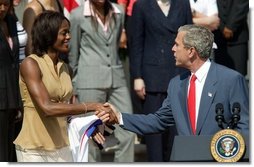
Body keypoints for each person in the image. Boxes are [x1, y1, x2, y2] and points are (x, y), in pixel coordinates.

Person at [105, 24, 249, 161]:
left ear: (191, 51)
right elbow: (158, 121)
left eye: (177, 45)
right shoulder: (176, 84)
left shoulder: (231, 80)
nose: (173, 49)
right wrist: (119, 117)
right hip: (185, 158)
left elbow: (246, 126)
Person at [13, 11, 112, 162]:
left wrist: (86, 127)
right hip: (34, 150)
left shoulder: (67, 69)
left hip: (64, 147)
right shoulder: (30, 64)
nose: (69, 37)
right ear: (49, 35)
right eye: (63, 33)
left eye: (69, 32)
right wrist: (92, 106)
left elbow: (67, 112)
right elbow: (47, 108)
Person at [68, 0, 135, 162]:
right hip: (88, 80)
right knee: (91, 134)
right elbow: (73, 53)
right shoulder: (77, 15)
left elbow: (114, 45)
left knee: (129, 130)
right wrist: (74, 85)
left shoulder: (118, 12)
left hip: (117, 79)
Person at [129, 0, 193, 161]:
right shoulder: (141, 6)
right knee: (155, 135)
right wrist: (137, 76)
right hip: (152, 77)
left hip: (179, 73)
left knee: (177, 132)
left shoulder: (182, 4)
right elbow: (136, 43)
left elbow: (192, 39)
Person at [0, 0, 23, 162]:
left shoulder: (12, 22)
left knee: (11, 151)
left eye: (6, 4)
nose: (2, 8)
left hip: (13, 96)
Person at [214, 0, 249, 76]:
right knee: (220, 76)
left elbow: (242, 5)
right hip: (218, 37)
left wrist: (230, 27)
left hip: (237, 38)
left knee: (238, 75)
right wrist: (222, 27)